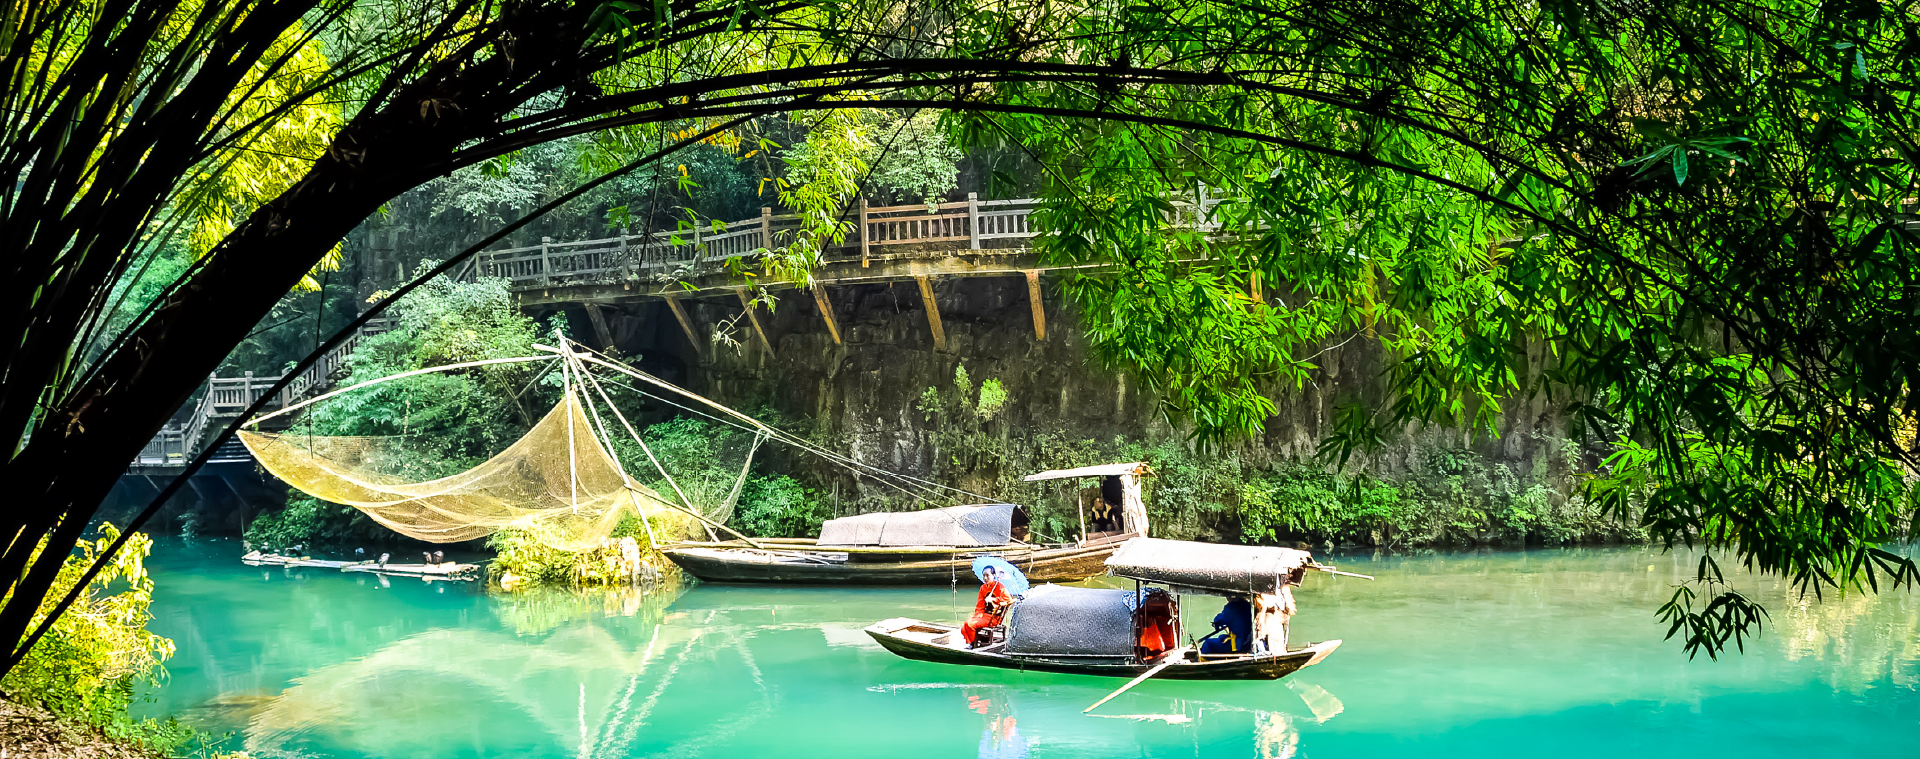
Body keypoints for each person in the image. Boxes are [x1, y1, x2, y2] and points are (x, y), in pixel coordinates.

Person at [962, 567, 1013, 647]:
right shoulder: (983, 588)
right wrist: (978, 614)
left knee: (969, 624)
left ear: (993, 575)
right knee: (964, 627)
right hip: (984, 615)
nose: (985, 578)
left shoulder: (1000, 587)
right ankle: (977, 640)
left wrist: (993, 599)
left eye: (988, 575)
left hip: (993, 617)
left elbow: (1008, 600)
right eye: (984, 576)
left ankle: (974, 643)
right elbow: (980, 604)